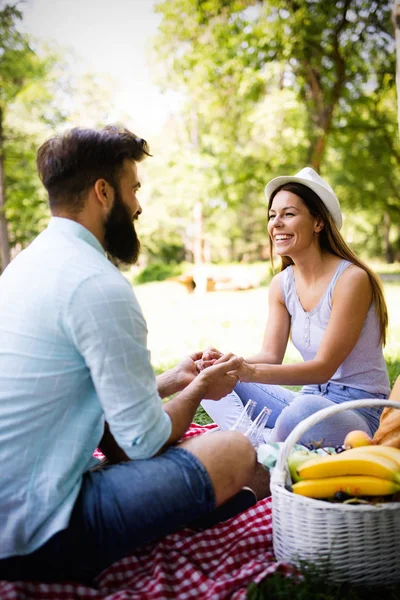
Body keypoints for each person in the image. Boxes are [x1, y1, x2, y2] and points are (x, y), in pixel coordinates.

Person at [0, 125, 260, 584]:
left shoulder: (26, 266)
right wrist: (200, 388)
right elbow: (142, 442)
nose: (138, 206)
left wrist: (173, 380)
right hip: (40, 534)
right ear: (104, 192)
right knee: (234, 449)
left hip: (14, 511)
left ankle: (186, 500)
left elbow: (82, 394)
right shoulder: (96, 284)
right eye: (134, 188)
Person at [201, 167, 390, 447]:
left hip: (356, 410)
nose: (276, 223)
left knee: (300, 414)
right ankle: (261, 444)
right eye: (272, 215)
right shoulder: (282, 284)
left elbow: (323, 368)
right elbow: (270, 355)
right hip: (308, 398)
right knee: (208, 378)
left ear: (317, 222)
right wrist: (228, 364)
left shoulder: (352, 280)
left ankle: (259, 446)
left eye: (288, 214)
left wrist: (250, 372)